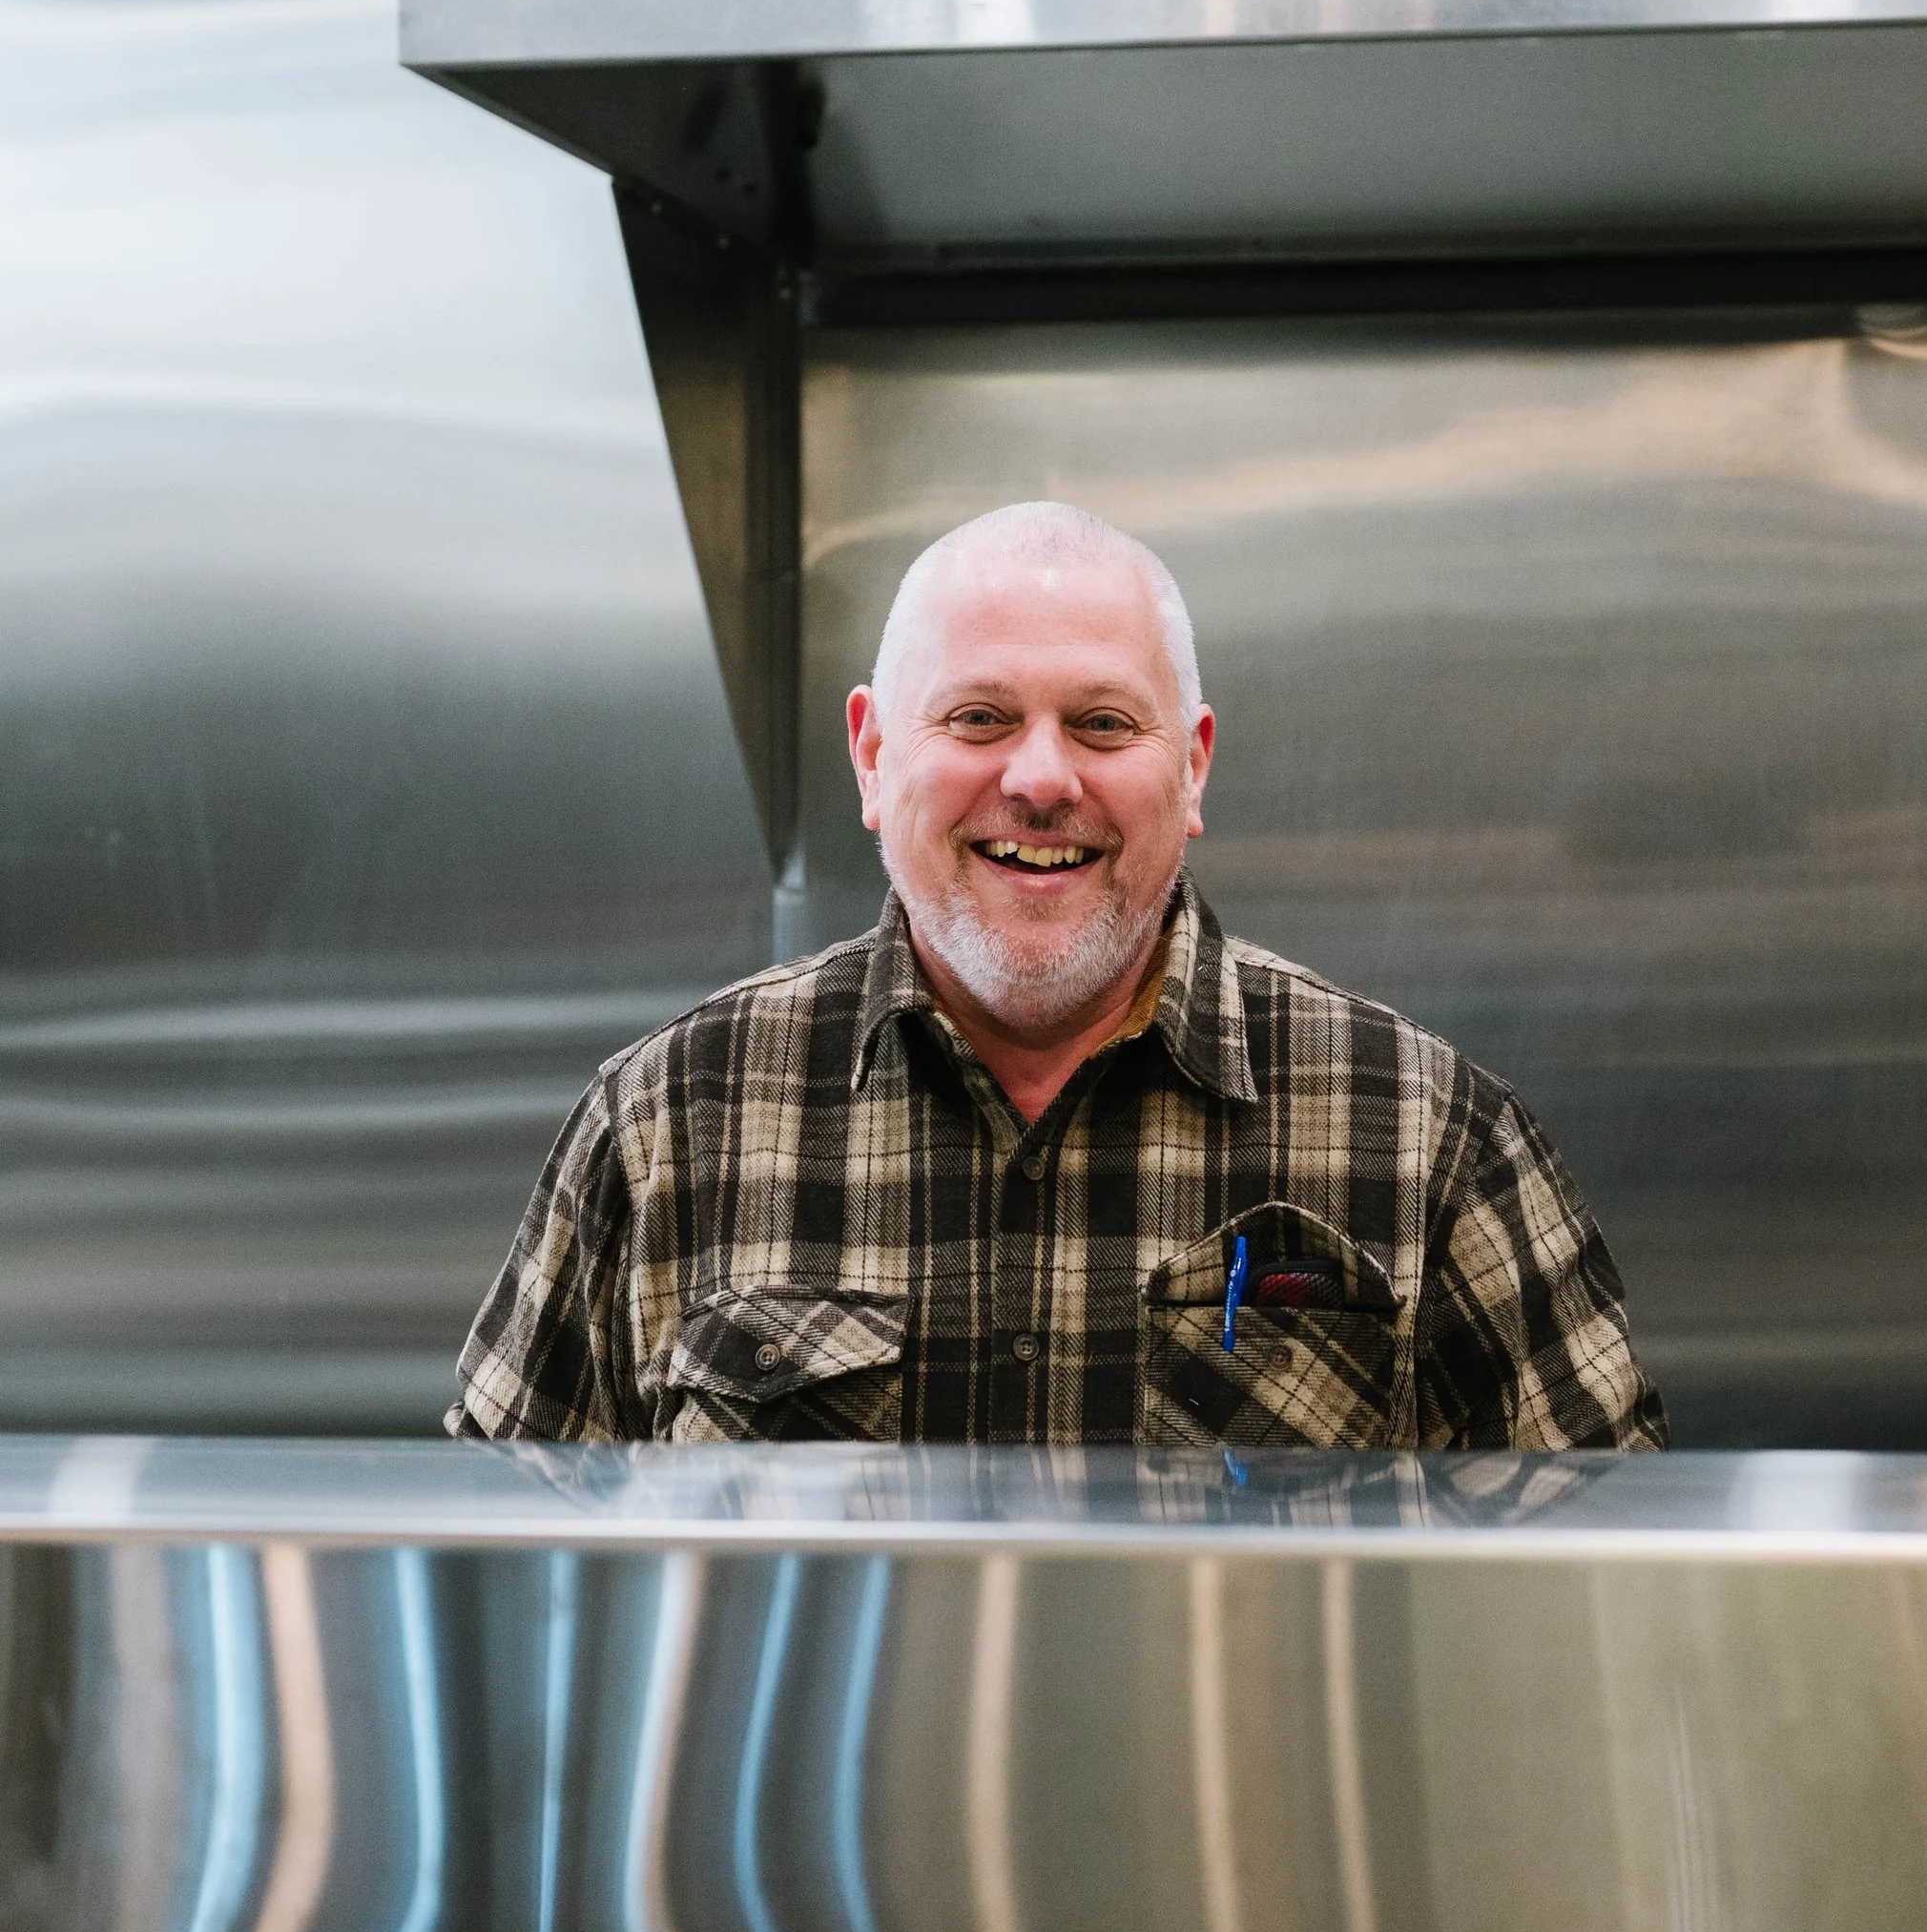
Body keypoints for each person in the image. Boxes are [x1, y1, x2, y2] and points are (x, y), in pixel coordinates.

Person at [449, 504, 1664, 1451]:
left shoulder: (1433, 1140)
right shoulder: (665, 1124)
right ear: (874, 756)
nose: (1039, 779)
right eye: (977, 718)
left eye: (1101, 723)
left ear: (1190, 770)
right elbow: (489, 1593)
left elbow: (1609, 1609)